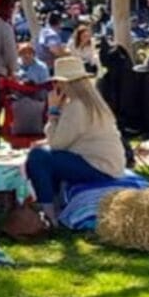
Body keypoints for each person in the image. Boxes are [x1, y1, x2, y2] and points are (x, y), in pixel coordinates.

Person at [25, 56, 126, 228]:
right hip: (108, 165)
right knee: (46, 156)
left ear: (66, 84)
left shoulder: (76, 106)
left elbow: (57, 144)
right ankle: (56, 205)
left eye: (57, 82)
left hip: (97, 166)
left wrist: (53, 111)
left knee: (38, 157)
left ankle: (48, 214)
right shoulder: (93, 103)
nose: (56, 86)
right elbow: (69, 139)